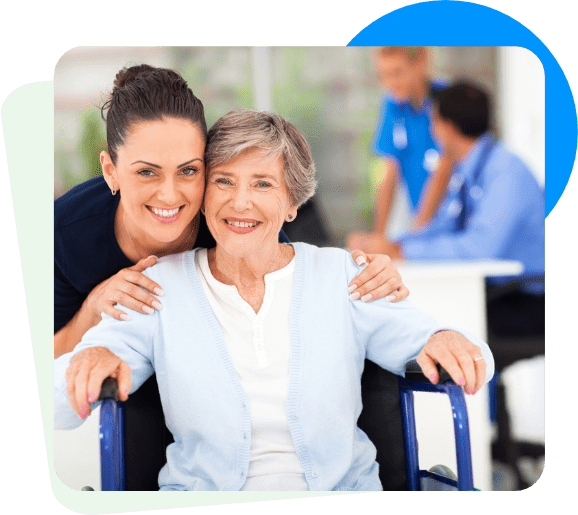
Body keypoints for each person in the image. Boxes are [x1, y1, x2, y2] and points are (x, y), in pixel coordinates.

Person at [55, 108, 494, 492]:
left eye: (263, 184)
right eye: (224, 181)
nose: (240, 202)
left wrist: (446, 337)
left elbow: (467, 357)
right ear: (204, 197)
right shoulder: (160, 286)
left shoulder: (344, 276)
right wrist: (87, 358)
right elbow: (59, 408)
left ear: (291, 204)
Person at [54, 64, 410, 361]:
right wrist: (94, 306)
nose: (169, 194)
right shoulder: (63, 235)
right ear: (110, 170)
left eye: (189, 170)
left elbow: (298, 295)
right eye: (146, 171)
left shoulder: (230, 222)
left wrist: (362, 283)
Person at [345, 82, 545, 335]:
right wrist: (388, 244)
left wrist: (402, 251)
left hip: (530, 296)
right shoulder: (469, 168)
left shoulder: (506, 173)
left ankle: (471, 374)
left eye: (433, 122)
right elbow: (443, 226)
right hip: (501, 290)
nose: (432, 130)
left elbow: (479, 248)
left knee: (433, 323)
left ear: (447, 127)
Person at [347, 46, 452, 249]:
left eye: (397, 73)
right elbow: (390, 174)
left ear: (421, 64)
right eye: (383, 75)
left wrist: (417, 232)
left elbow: (443, 169)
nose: (390, 83)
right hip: (418, 221)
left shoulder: (446, 99)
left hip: (447, 223)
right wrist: (379, 238)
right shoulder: (392, 105)